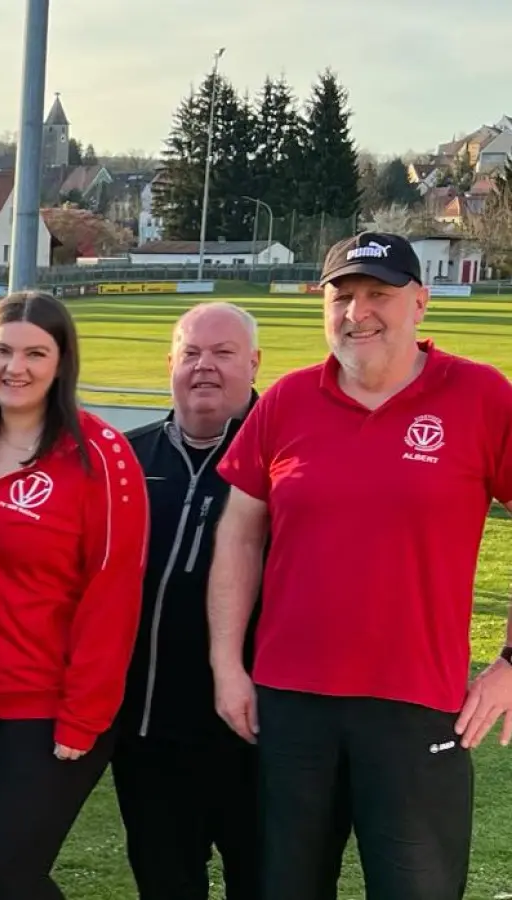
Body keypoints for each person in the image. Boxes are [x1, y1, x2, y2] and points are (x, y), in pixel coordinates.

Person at [210, 232, 512, 900]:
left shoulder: (481, 395)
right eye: (342, 295)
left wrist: (510, 665)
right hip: (291, 705)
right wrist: (228, 664)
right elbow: (238, 533)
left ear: (421, 302)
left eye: (379, 294)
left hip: (416, 704)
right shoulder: (286, 401)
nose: (358, 312)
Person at [0, 291, 149, 900]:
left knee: (7, 866)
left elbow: (114, 590)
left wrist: (84, 714)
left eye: (35, 353)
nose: (15, 367)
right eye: (2, 351)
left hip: (47, 708)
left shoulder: (100, 456)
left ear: (61, 362)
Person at [115, 303, 266, 899]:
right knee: (165, 885)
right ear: (170, 364)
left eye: (223, 353)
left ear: (254, 363)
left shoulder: (288, 460)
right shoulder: (125, 459)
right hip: (149, 734)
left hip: (256, 737)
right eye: (191, 353)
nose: (205, 367)